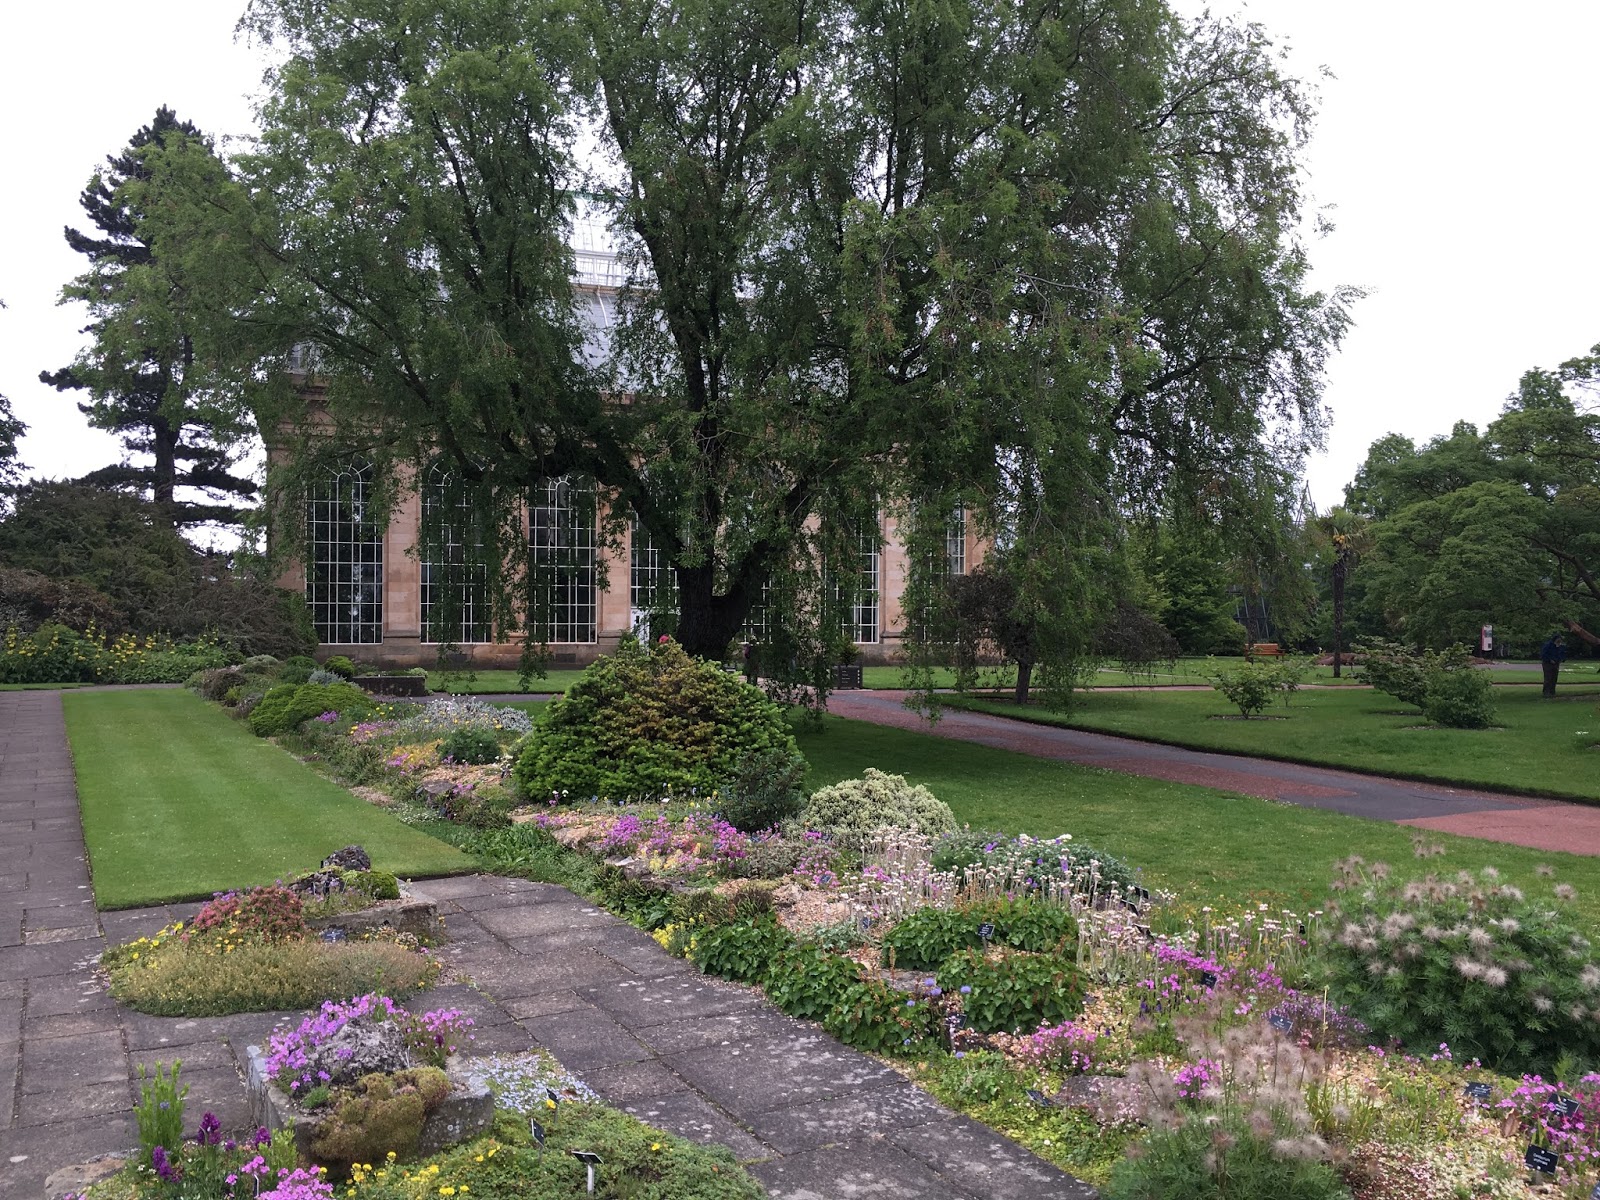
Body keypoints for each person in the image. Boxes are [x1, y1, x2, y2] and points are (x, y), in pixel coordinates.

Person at [1540, 632, 1568, 698]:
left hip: (1556, 663)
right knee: (1548, 678)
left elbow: (1562, 654)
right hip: (1548, 664)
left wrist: (1562, 659)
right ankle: (1546, 692)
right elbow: (1543, 654)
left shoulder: (1560, 646)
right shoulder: (1548, 645)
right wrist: (1550, 659)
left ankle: (1552, 692)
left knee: (1554, 678)